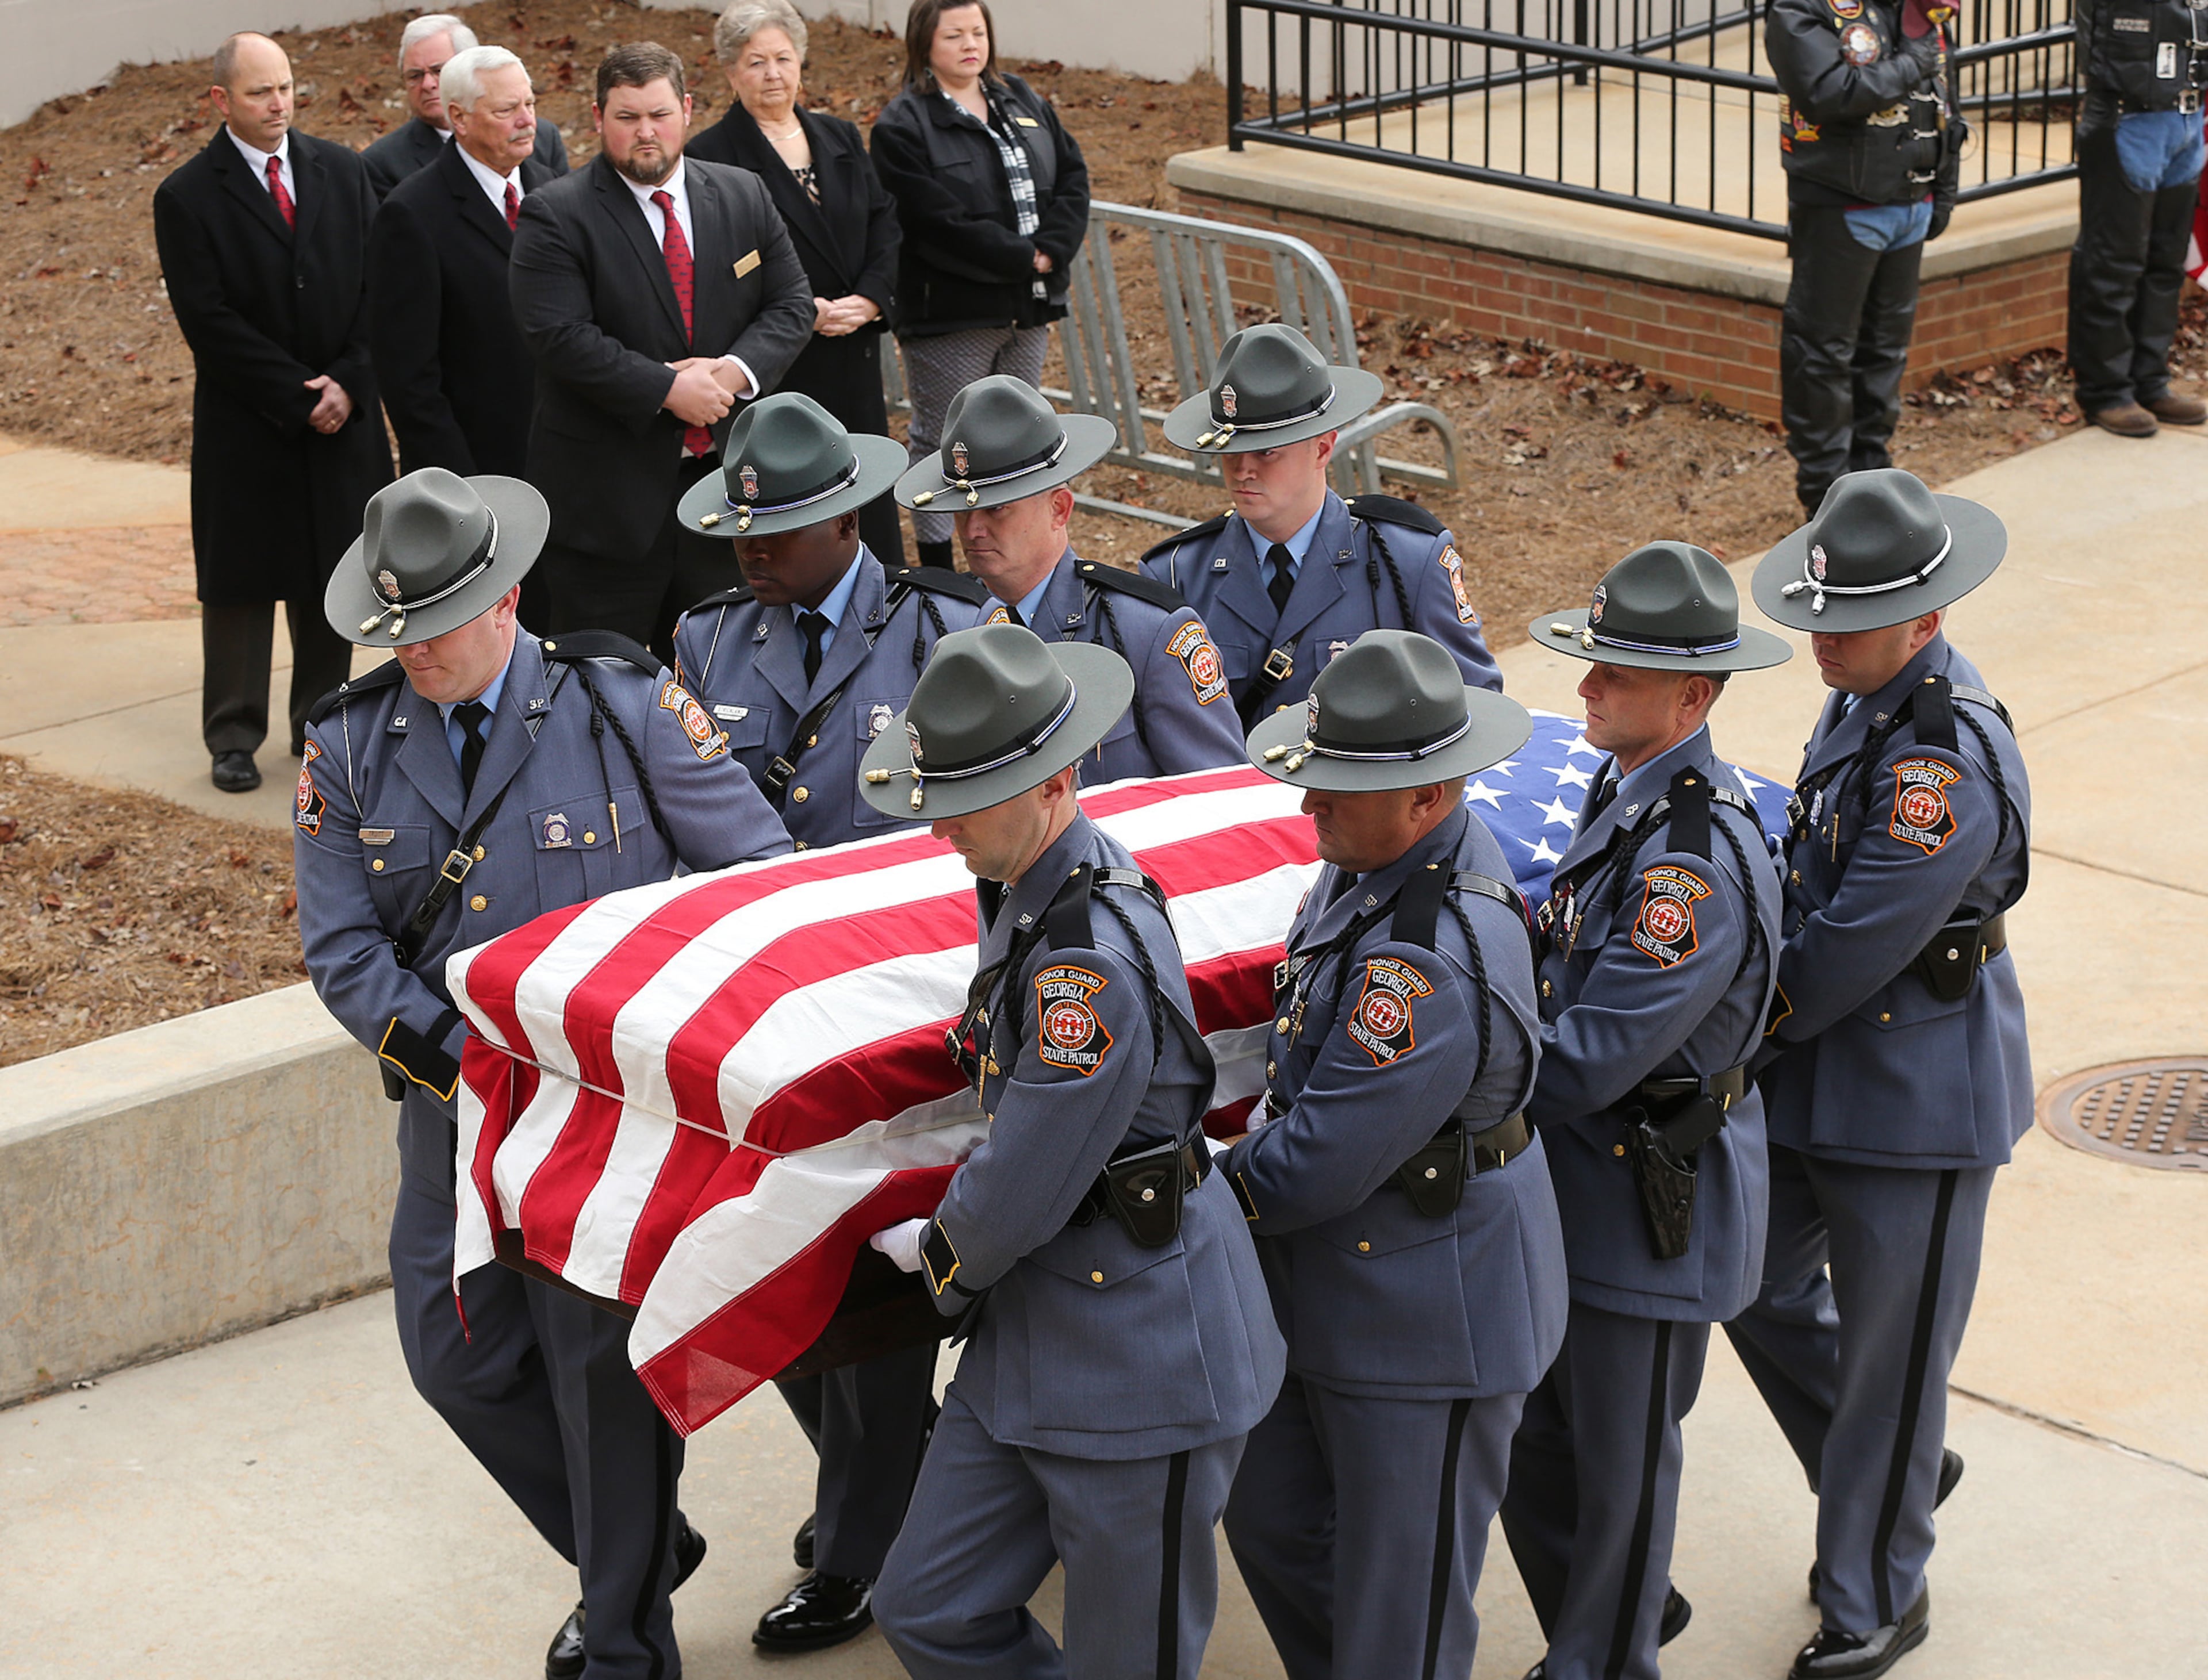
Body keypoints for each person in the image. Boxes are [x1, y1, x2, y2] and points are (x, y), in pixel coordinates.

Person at [294, 467, 791, 1680]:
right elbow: (343, 946)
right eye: (393, 627)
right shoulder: (348, 746)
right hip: (455, 1107)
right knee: (453, 1359)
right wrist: (460, 1064)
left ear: (508, 597)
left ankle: (625, 1641)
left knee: (591, 1375)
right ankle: (633, 1550)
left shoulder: (621, 704)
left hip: (602, 1115)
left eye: (435, 623)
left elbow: (753, 878)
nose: (410, 650)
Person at [856, 622, 1286, 1678]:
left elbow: (1024, 1174)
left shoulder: (1083, 964)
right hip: (1038, 1332)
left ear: (1052, 780)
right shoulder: (1027, 889)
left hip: (1144, 1352)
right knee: (927, 1605)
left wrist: (943, 1262)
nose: (940, 824)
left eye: (963, 796)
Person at [667, 392, 986, 1652]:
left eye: (781, 529)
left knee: (882, 1270)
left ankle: (863, 1548)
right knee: (782, 1263)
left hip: (912, 1012)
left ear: (849, 517)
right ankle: (902, 1478)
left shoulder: (949, 628)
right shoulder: (707, 641)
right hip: (772, 1015)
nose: (752, 551)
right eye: (740, 528)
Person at [1218, 630, 1569, 1680]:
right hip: (1346, 1284)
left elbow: (1314, 1161)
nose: (1307, 804)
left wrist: (1184, 1189)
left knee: (1399, 1615)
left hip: (1428, 1318)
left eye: (1336, 786)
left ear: (1428, 797)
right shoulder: (1373, 866)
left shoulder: (1425, 963)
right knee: (1274, 1522)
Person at [1730, 467, 2031, 1680]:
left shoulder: (1939, 759)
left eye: (1847, 623)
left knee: (1896, 1367)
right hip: (1825, 1081)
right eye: (1818, 615)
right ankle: (1893, 1455)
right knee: (1748, 1283)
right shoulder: (1864, 697)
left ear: (1928, 617)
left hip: (1917, 1100)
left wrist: (1734, 1029)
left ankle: (1872, 1599)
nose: (1822, 641)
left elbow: (1850, 948)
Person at [1501, 544, 1792, 1680]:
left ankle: (1606, 1659)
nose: (1585, 691)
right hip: (1586, 1188)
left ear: (1693, 696)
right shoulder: (1630, 793)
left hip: (1644, 1198)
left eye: (1613, 674)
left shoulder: (1692, 862)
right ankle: (1612, 1624)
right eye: (1593, 665)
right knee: (1539, 1441)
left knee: (1620, 1467)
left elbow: (1591, 1057)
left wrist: (1456, 1068)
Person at [510, 41, 815, 655]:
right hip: (608, 513)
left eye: (659, 114)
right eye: (627, 118)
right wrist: (669, 389)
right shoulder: (556, 215)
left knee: (723, 680)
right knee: (602, 691)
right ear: (598, 119)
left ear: (688, 109)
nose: (645, 133)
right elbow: (559, 335)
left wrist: (730, 374)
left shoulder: (743, 193)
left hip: (727, 499)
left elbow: (792, 304)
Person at [152, 30, 391, 795]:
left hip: (343, 420)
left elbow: (376, 292)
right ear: (220, 100)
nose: (279, 104)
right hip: (249, 427)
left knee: (333, 578)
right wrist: (299, 395)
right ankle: (233, 733)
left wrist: (350, 383)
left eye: (286, 87)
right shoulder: (187, 196)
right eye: (260, 92)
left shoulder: (344, 170)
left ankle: (322, 721)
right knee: (243, 585)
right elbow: (209, 321)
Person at [1143, 323, 1502, 726]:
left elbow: (1473, 698)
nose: (1242, 470)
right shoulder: (1176, 574)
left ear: (1323, 448)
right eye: (1231, 452)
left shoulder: (1407, 560)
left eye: (1265, 452)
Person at [893, 375, 1245, 785]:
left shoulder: (1145, 631)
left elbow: (1218, 796)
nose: (972, 530)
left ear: (1059, 509)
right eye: (963, 510)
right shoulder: (950, 626)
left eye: (998, 510)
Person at [871, 0, 1090, 569]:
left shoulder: (1019, 96)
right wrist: (1024, 257)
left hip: (1029, 306)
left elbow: (1072, 175)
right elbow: (933, 220)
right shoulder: (903, 124)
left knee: (1018, 438)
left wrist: (1052, 251)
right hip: (952, 314)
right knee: (947, 445)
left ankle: (1018, 559)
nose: (970, 44)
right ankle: (942, 569)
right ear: (925, 45)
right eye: (954, 36)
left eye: (978, 32)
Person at [687, 0, 907, 566]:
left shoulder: (838, 136)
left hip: (854, 346)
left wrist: (872, 299)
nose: (773, 74)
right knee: (803, 512)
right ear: (731, 71)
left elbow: (884, 223)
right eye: (755, 62)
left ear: (801, 63)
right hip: (783, 361)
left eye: (783, 58)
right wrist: (798, 307)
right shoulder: (711, 156)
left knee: (867, 492)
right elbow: (715, 261)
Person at [1766, 0, 1962, 515]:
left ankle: (1874, 490)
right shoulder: (1801, 9)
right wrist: (1914, 59)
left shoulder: (1916, 7)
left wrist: (1944, 184)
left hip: (1910, 205)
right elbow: (1830, 93)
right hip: (1843, 205)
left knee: (1884, 354)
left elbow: (1943, 95)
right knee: (1823, 354)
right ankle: (1827, 501)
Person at [368, 47, 555, 483]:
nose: (527, 120)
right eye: (507, 109)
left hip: (568, 463)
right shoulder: (411, 214)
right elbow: (408, 379)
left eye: (530, 104)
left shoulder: (554, 192)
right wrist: (462, 485)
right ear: (461, 118)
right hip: (478, 470)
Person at [2067, 0, 2208, 436]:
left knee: (2164, 262)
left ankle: (2150, 381)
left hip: (2186, 119)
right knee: (2113, 262)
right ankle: (2106, 390)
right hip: (2130, 118)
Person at [361, 12, 567, 201]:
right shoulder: (382, 164)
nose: (427, 85)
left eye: (439, 70)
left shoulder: (541, 138)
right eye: (415, 76)